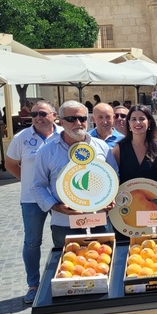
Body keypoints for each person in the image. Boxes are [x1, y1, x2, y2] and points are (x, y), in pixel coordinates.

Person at [30, 100, 118, 248]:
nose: (78, 123)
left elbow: (114, 175)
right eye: (71, 119)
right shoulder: (47, 151)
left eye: (82, 119)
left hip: (98, 220)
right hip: (65, 224)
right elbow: (37, 186)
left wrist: (111, 197)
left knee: (104, 265)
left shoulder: (101, 146)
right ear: (61, 121)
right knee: (69, 267)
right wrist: (56, 207)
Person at [5, 101, 62, 304]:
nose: (38, 117)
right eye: (34, 113)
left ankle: (62, 280)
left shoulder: (63, 134)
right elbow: (10, 164)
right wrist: (28, 181)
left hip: (60, 198)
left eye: (43, 113)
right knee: (32, 242)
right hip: (31, 200)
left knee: (62, 240)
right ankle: (33, 285)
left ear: (54, 115)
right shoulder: (22, 138)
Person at [112, 104, 157, 185]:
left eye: (142, 119)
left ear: (149, 122)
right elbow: (113, 177)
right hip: (125, 196)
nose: (137, 122)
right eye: (133, 119)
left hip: (152, 196)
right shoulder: (119, 149)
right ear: (129, 123)